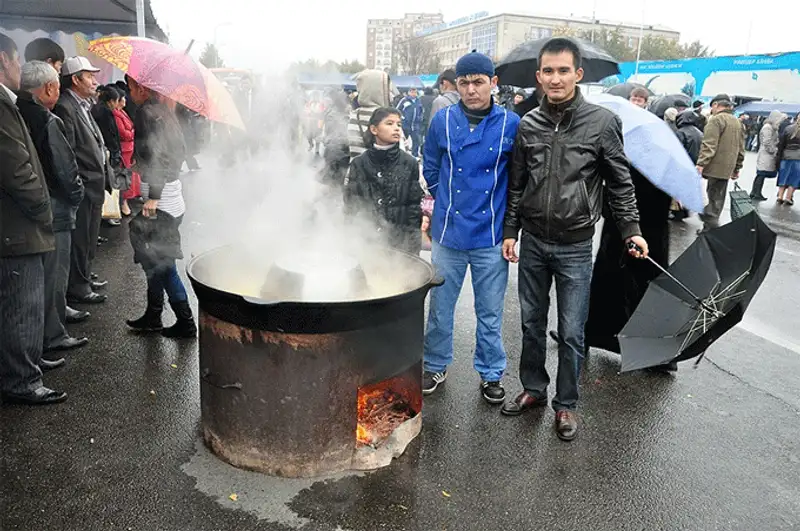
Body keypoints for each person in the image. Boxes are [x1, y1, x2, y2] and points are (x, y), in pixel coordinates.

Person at [501, 38, 647, 441]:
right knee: (531, 323)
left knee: (570, 331)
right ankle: (533, 388)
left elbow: (620, 183)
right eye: (548, 71)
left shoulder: (601, 123)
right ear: (538, 76)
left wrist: (632, 230)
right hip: (532, 242)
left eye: (563, 70)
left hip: (575, 247)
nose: (555, 78)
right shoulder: (528, 123)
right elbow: (517, 184)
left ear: (578, 74)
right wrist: (511, 231)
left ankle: (566, 404)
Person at [421, 52, 521, 404]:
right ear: (456, 84)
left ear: (493, 83)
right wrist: (443, 201)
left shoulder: (511, 123)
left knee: (490, 312)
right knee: (440, 307)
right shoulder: (443, 121)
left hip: (490, 235)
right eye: (464, 82)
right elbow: (431, 166)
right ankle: (434, 365)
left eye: (478, 82)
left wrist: (510, 227)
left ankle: (491, 373)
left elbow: (517, 179)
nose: (470, 89)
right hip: (448, 232)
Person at [0, 33, 67, 405]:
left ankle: (25, 366)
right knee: (21, 308)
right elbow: (17, 170)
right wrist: (44, 211)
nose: (17, 68)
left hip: (17, 226)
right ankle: (22, 380)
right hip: (16, 229)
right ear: (2, 60)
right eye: (13, 60)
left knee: (22, 305)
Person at [16, 61, 89, 356]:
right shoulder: (47, 119)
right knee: (55, 275)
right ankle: (54, 335)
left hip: (28, 208)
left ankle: (45, 332)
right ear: (49, 87)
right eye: (58, 86)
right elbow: (65, 168)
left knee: (39, 279)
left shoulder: (16, 111)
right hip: (55, 207)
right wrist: (77, 195)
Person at [124, 76, 197, 338]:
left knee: (164, 265)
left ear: (142, 88)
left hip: (161, 204)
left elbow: (156, 154)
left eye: (131, 88)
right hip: (172, 200)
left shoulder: (146, 112)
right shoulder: (165, 112)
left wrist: (153, 194)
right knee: (153, 262)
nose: (130, 94)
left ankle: (186, 322)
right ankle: (153, 315)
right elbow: (175, 153)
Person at [53, 56, 109, 304]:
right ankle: (78, 286)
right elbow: (69, 151)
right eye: (89, 76)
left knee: (89, 236)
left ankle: (84, 277)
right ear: (75, 79)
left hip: (95, 183)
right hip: (84, 184)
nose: (95, 81)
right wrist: (79, 183)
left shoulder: (84, 104)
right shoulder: (66, 106)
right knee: (81, 239)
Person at [344, 107, 422, 254]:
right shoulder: (359, 163)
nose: (396, 128)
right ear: (374, 129)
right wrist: (350, 243)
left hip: (399, 245)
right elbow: (351, 206)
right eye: (389, 123)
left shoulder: (409, 163)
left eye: (398, 124)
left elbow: (413, 209)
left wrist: (413, 249)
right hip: (367, 242)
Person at [696, 94, 745, 232]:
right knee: (718, 198)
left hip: (714, 166)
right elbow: (741, 148)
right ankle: (709, 226)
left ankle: (710, 224)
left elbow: (709, 144)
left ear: (716, 105)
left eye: (712, 106)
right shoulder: (737, 122)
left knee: (710, 196)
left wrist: (701, 163)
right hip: (728, 167)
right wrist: (737, 167)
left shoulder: (716, 120)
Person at [348, 69, 397, 161]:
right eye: (388, 90)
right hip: (383, 173)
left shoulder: (352, 116)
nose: (391, 95)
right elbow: (401, 152)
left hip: (356, 172)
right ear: (380, 91)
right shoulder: (388, 117)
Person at [671, 109, 704, 221]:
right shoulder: (699, 133)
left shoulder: (681, 132)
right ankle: (685, 210)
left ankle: (679, 212)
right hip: (695, 165)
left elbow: (677, 150)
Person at [114, 90, 140, 216]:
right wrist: (133, 132)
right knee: (124, 176)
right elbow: (124, 133)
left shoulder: (122, 112)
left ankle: (126, 200)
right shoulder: (116, 114)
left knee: (129, 176)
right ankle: (123, 203)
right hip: (124, 149)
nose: (125, 99)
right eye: (123, 97)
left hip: (129, 148)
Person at [750, 111, 787, 201]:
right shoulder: (768, 128)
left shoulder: (772, 127)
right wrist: (773, 150)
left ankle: (755, 192)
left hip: (767, 154)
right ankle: (756, 192)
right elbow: (767, 142)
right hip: (766, 154)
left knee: (761, 174)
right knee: (761, 173)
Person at [776, 113, 800, 206]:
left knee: (783, 177)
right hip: (798, 158)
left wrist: (779, 156)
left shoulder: (788, 128)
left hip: (786, 156)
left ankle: (780, 197)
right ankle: (788, 198)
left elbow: (781, 144)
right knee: (794, 179)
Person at [396, 87, 423, 157]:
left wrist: (420, 117)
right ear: (409, 92)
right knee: (402, 140)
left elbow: (421, 110)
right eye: (412, 92)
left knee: (416, 141)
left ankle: (415, 155)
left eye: (415, 92)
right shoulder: (404, 100)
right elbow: (397, 110)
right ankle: (400, 154)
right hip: (405, 124)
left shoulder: (418, 101)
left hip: (415, 125)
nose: (414, 93)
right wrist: (402, 118)